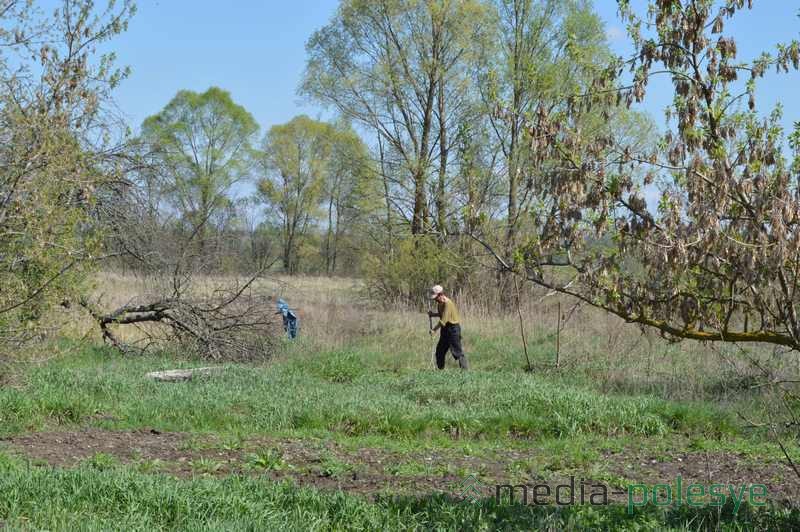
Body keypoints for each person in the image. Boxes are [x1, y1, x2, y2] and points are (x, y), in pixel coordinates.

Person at [427, 285, 469, 370]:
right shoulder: (440, 303)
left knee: (457, 352)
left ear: (440, 294)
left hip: (453, 329)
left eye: (436, 298)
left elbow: (443, 321)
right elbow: (441, 314)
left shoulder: (448, 303)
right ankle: (440, 371)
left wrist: (434, 330)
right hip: (445, 330)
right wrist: (433, 314)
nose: (435, 300)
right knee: (439, 351)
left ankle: (465, 372)